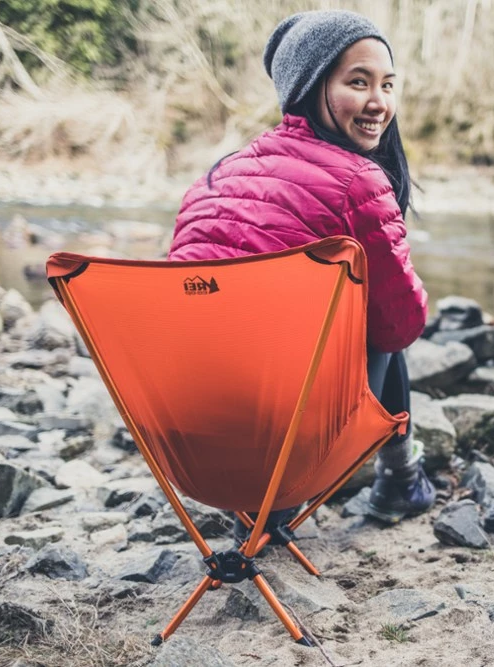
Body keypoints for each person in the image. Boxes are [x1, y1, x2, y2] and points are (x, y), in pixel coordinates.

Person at [168, 10, 434, 528]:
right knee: (382, 313)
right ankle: (401, 477)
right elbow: (401, 327)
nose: (379, 102)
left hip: (188, 442)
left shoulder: (213, 178)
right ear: (310, 88)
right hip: (294, 451)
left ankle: (382, 481)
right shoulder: (358, 182)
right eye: (358, 82)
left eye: (387, 84)